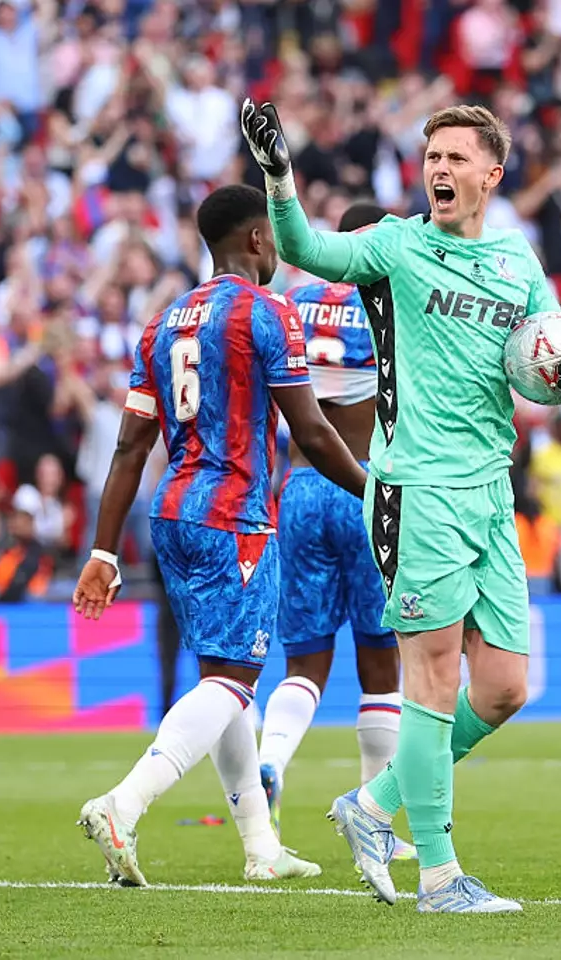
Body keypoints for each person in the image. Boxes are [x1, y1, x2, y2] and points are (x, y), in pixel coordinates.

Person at [242, 99, 561, 912]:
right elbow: (306, 248)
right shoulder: (399, 246)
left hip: (489, 491)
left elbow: (538, 366)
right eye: (432, 157)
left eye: (456, 158)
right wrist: (280, 180)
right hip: (416, 488)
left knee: (505, 689)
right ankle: (441, 877)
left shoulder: (521, 262)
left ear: (493, 173)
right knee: (434, 679)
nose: (439, 170)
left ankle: (374, 804)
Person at [71, 184, 369, 887]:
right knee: (236, 680)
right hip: (234, 515)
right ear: (260, 240)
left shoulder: (163, 320)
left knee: (223, 676)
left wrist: (103, 551)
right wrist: (379, 493)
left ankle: (260, 845)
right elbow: (316, 434)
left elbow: (127, 449)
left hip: (170, 513)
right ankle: (124, 802)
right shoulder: (266, 313)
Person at [255, 201, 415, 860]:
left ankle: (271, 763)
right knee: (381, 665)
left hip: (301, 489)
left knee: (305, 664)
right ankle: (373, 818)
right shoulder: (389, 298)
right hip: (366, 485)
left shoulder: (295, 298)